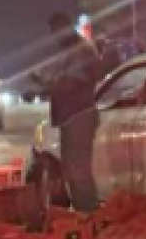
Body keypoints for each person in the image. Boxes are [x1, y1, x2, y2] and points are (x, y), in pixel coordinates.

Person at [40, 12, 103, 212]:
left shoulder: (81, 49)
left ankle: (89, 218)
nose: (54, 37)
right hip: (70, 117)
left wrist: (45, 88)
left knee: (79, 173)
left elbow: (73, 82)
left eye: (56, 32)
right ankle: (83, 216)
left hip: (79, 116)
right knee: (72, 172)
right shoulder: (70, 50)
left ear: (65, 28)